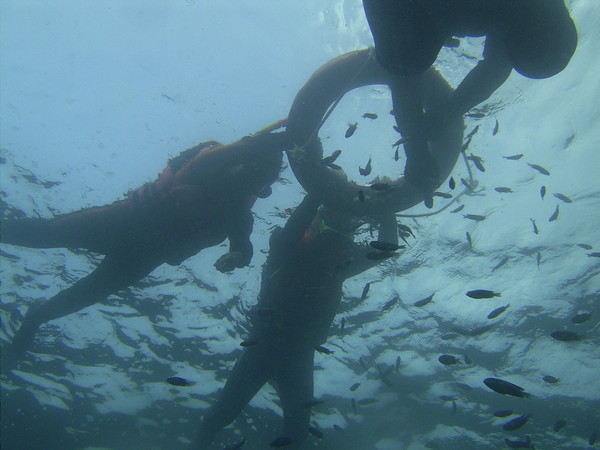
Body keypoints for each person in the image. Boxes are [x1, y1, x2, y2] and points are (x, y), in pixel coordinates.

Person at [0, 131, 288, 357]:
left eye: (262, 178)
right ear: (244, 157)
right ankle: (36, 316)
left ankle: (35, 318)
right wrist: (264, 145)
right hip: (123, 222)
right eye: (254, 169)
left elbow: (244, 247)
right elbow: (205, 160)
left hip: (143, 254)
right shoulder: (208, 165)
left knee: (82, 294)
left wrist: (236, 256)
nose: (251, 178)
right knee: (46, 235)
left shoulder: (238, 213)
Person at [195, 194, 398, 448]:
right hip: (269, 345)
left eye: (347, 216)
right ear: (320, 214)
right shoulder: (287, 244)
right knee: (223, 415)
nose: (343, 220)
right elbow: (303, 217)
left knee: (295, 431)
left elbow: (387, 247)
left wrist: (388, 213)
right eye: (334, 211)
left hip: (292, 351)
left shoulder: (340, 261)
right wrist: (322, 192)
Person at [362, 0, 577, 204]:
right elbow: (402, 68)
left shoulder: (526, 15)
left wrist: (446, 114)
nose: (503, 44)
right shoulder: (522, 15)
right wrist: (417, 149)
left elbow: (496, 67)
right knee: (410, 59)